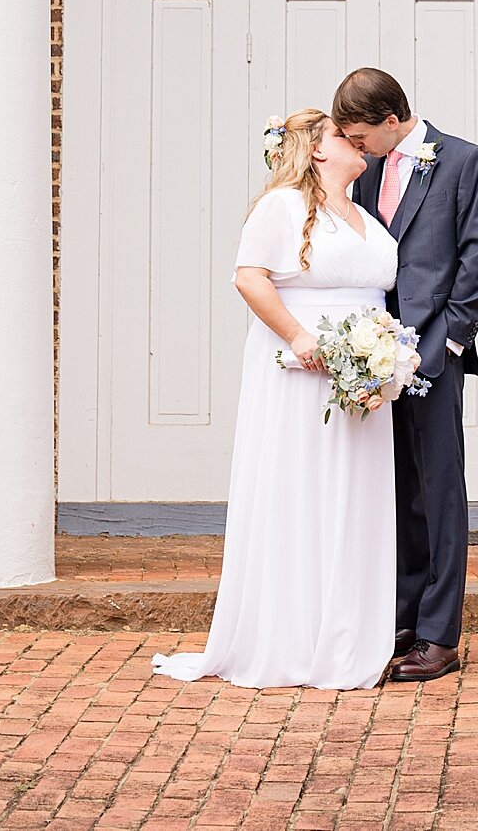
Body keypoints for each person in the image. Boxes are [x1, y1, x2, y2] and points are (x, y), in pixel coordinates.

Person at [152, 108, 398, 690]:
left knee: (352, 499)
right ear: (316, 150)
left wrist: (385, 353)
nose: (358, 141)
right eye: (343, 135)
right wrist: (299, 336)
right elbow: (249, 276)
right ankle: (289, 639)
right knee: (301, 494)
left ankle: (345, 633)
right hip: (299, 375)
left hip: (361, 380)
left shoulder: (364, 215)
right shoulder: (282, 206)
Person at [334, 68, 478, 683]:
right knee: (395, 489)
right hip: (374, 353)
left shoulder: (464, 161)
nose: (356, 149)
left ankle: (440, 636)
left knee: (439, 490)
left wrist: (451, 342)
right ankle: (401, 618)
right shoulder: (366, 172)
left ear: (391, 122)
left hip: (435, 352)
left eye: (361, 137)